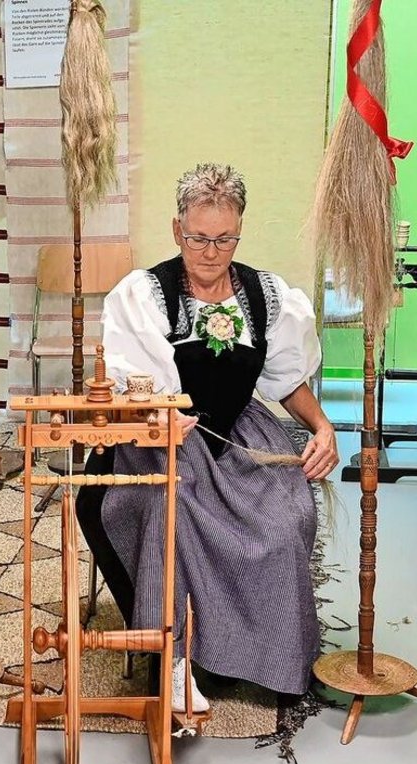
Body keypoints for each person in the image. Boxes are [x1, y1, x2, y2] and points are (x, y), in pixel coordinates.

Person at [77, 163, 337, 709]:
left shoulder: (267, 297)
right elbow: (136, 391)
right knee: (172, 511)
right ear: (178, 231)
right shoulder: (145, 295)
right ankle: (180, 656)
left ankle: (264, 654)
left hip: (240, 430)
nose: (212, 252)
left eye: (225, 239)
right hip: (166, 433)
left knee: (288, 518)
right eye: (199, 238)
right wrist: (162, 416)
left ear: (239, 231)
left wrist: (321, 426)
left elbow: (286, 382)